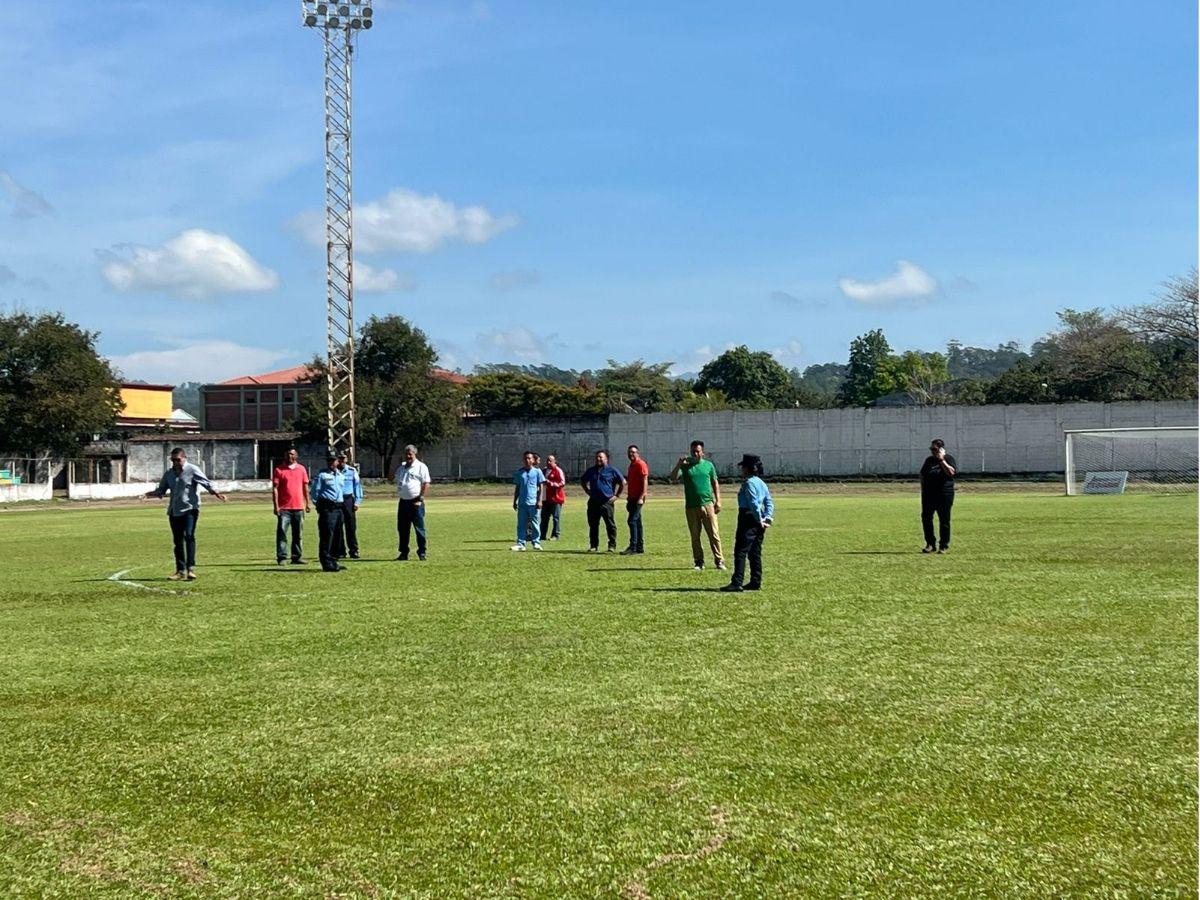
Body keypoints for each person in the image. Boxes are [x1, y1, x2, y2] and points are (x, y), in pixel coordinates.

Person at [142, 447, 226, 581]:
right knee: (178, 541)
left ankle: (191, 569)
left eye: (178, 460)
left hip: (190, 509)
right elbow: (161, 490)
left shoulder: (192, 470)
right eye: (173, 460)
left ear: (184, 458)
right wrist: (148, 494)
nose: (175, 463)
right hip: (174, 511)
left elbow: (206, 483)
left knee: (189, 536)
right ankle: (180, 571)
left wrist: (217, 494)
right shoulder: (169, 474)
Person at [721, 454, 774, 593]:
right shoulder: (762, 483)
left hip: (748, 517)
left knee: (740, 551)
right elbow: (768, 502)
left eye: (743, 467)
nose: (741, 470)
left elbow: (753, 503)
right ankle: (755, 581)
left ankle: (736, 582)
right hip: (759, 519)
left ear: (748, 469)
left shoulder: (749, 483)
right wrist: (767, 517)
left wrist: (758, 519)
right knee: (755, 552)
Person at [670, 440, 725, 571]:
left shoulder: (708, 465)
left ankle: (719, 560)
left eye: (698, 451)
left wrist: (718, 500)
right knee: (695, 536)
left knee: (714, 534)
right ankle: (699, 562)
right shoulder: (685, 466)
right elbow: (672, 478)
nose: (695, 454)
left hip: (707, 504)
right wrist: (679, 464)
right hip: (691, 506)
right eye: (693, 451)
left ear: (702, 453)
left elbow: (715, 483)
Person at [580, 450, 626, 552]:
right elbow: (583, 480)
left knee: (610, 525)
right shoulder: (591, 470)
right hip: (593, 502)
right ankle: (593, 545)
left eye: (601, 457)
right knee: (593, 525)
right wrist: (587, 490)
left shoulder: (612, 470)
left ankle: (612, 545)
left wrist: (617, 495)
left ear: (606, 459)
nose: (598, 459)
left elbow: (623, 482)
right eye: (597, 457)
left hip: (607, 502)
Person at [272, 448, 310, 565]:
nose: (290, 456)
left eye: (292, 454)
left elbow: (305, 487)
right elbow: (275, 489)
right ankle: (282, 557)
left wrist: (307, 503)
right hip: (284, 508)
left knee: (298, 534)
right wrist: (276, 506)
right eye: (288, 454)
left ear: (296, 456)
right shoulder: (279, 470)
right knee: (282, 533)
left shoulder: (302, 469)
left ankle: (296, 556)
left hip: (298, 507)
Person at [920, 438, 957, 554]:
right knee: (926, 518)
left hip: (944, 494)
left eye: (935, 449)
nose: (932, 451)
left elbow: (951, 473)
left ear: (941, 449)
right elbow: (922, 475)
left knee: (944, 519)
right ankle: (930, 544)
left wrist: (941, 460)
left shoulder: (949, 459)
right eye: (931, 449)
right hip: (928, 494)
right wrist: (923, 489)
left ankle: (943, 545)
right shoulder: (929, 460)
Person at [311, 451, 347, 572]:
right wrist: (319, 505)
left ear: (338, 461)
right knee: (327, 535)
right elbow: (315, 492)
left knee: (337, 535)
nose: (332, 463)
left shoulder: (341, 476)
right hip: (327, 508)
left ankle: (334, 560)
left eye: (334, 460)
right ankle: (326, 561)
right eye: (329, 461)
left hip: (338, 508)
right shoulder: (322, 476)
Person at [395, 444, 431, 561]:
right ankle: (403, 552)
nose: (408, 456)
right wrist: (393, 464)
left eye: (410, 454)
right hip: (403, 502)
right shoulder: (401, 468)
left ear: (415, 454)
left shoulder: (421, 467)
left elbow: (426, 483)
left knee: (419, 529)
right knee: (403, 529)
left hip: (416, 502)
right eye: (406, 454)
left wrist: (420, 499)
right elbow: (391, 478)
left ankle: (422, 552)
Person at [511, 451, 546, 551]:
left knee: (535, 523)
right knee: (521, 524)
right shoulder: (520, 472)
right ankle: (521, 543)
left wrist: (540, 500)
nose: (527, 460)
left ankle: (536, 542)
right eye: (525, 458)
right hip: (522, 502)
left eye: (529, 458)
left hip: (533, 503)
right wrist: (515, 501)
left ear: (533, 460)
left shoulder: (537, 472)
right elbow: (518, 487)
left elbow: (541, 486)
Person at [332, 451, 362, 559]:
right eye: (339, 458)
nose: (341, 460)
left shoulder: (352, 471)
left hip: (349, 499)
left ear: (347, 459)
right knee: (338, 527)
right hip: (337, 500)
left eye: (343, 458)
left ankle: (353, 550)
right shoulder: (333, 472)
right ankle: (340, 551)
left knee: (351, 527)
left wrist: (358, 501)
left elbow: (357, 486)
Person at [622, 444, 649, 555]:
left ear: (638, 453)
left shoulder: (640, 464)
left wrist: (642, 496)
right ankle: (639, 547)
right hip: (632, 498)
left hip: (638, 498)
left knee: (631, 521)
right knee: (637, 522)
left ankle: (633, 547)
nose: (631, 454)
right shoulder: (631, 465)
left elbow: (645, 481)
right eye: (629, 452)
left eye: (633, 452)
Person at [540, 453, 566, 542]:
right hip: (545, 498)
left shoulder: (558, 470)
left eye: (550, 461)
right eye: (547, 460)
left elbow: (562, 483)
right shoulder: (543, 470)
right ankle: (542, 535)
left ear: (555, 462)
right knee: (544, 517)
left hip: (556, 498)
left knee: (556, 517)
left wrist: (551, 483)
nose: (548, 462)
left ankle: (555, 535)